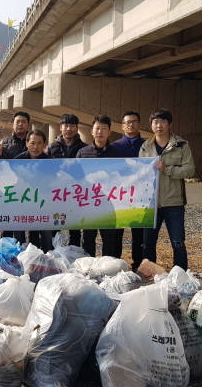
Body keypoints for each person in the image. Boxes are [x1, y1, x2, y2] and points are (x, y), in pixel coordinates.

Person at [139, 109, 195, 270]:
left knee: (178, 243)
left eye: (163, 122)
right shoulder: (145, 147)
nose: (159, 125)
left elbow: (190, 170)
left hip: (174, 203)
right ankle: (150, 276)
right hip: (151, 205)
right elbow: (140, 175)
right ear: (151, 125)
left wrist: (168, 169)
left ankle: (180, 276)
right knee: (148, 244)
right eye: (155, 122)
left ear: (169, 125)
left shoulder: (181, 145)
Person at [76, 115, 123, 258]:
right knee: (88, 239)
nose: (100, 132)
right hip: (88, 205)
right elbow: (77, 178)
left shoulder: (117, 153)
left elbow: (123, 179)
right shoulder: (83, 153)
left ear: (109, 132)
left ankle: (107, 270)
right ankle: (88, 269)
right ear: (92, 131)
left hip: (110, 205)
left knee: (109, 240)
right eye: (97, 128)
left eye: (104, 129)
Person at [45, 113, 87, 246]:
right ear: (60, 127)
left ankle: (74, 256)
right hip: (55, 196)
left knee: (75, 229)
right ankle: (52, 257)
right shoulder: (51, 148)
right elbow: (43, 170)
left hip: (76, 195)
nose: (69, 129)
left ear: (77, 128)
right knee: (54, 227)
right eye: (66, 125)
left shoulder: (84, 148)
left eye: (72, 126)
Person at [112, 111, 146, 271]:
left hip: (140, 198)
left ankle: (137, 266)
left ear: (139, 125)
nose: (131, 124)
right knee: (116, 235)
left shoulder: (147, 147)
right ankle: (116, 266)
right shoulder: (115, 147)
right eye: (128, 122)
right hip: (118, 198)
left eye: (134, 121)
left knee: (138, 235)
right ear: (122, 126)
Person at [14, 130, 53, 252]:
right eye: (32, 143)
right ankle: (20, 263)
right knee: (19, 238)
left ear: (45, 145)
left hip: (43, 206)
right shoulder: (17, 161)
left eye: (39, 143)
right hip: (21, 206)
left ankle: (46, 262)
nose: (35, 147)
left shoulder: (50, 163)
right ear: (26, 143)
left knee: (46, 237)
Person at [0, 111, 31, 244]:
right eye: (17, 121)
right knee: (8, 225)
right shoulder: (5, 143)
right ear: (13, 124)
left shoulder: (33, 141)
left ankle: (27, 253)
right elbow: (0, 166)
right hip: (10, 190)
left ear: (28, 124)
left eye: (23, 121)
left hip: (29, 189)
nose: (20, 124)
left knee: (29, 223)